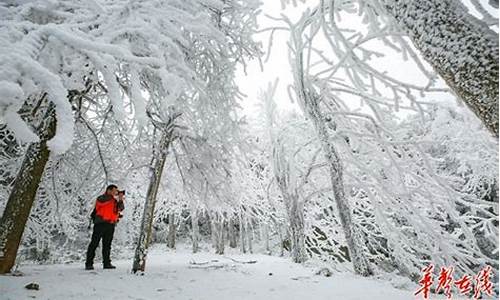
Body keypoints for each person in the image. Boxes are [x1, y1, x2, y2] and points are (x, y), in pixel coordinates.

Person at [85, 184, 125, 270]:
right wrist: (114, 198)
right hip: (100, 224)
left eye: (116, 191)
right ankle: (89, 263)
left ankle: (107, 263)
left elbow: (121, 208)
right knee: (94, 243)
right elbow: (103, 203)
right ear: (108, 190)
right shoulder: (101, 198)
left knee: (107, 245)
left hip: (110, 225)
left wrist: (120, 199)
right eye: (114, 190)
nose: (116, 192)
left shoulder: (114, 201)